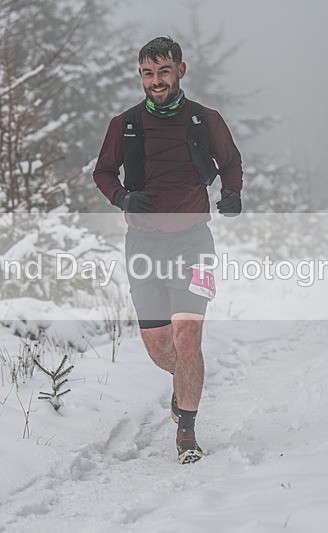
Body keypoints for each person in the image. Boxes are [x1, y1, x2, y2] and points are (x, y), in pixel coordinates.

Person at [92, 36, 243, 464]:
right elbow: (102, 172)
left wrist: (232, 193)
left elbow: (230, 163)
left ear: (181, 70)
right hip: (143, 244)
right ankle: (184, 388)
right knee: (161, 347)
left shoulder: (204, 119)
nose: (156, 80)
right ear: (141, 76)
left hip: (194, 241)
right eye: (148, 73)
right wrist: (121, 197)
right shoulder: (124, 124)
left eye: (164, 71)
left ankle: (187, 434)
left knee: (187, 338)